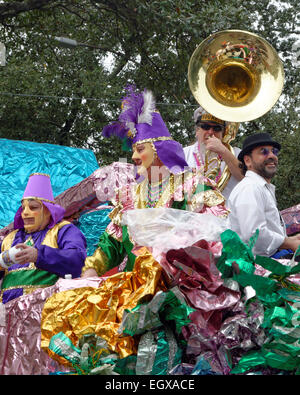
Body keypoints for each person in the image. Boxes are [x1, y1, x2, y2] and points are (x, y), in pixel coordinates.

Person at [82, 86, 229, 278]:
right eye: (134, 150)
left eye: (141, 149)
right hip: (132, 290)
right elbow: (110, 247)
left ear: (158, 149)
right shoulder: (128, 196)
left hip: (180, 290)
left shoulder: (193, 186)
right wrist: (91, 270)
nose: (134, 156)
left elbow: (216, 239)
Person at [0, 173, 87, 303]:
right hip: (9, 315)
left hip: (48, 313)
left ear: (48, 210)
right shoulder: (9, 238)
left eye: (33, 207)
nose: (25, 212)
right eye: (23, 208)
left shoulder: (63, 230)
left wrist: (39, 255)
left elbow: (77, 260)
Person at [228, 132, 300, 259]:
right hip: (262, 269)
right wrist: (289, 242)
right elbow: (254, 235)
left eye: (274, 151)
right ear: (247, 160)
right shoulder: (249, 188)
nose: (272, 156)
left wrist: (291, 240)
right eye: (264, 152)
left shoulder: (259, 187)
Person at [183, 106, 243, 200]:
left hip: (227, 213)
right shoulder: (184, 153)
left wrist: (222, 150)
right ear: (197, 131)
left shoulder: (236, 153)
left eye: (217, 128)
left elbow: (245, 178)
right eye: (205, 127)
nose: (211, 132)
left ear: (223, 133)